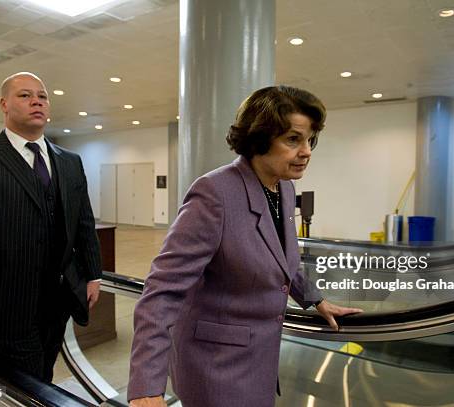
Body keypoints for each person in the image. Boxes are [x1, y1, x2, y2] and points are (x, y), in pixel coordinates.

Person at [128, 85, 362, 407]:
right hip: (216, 366)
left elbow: (283, 257)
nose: (306, 151)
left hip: (260, 360)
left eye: (310, 140)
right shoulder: (215, 193)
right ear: (259, 139)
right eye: (293, 139)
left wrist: (315, 299)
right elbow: (162, 291)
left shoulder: (285, 188)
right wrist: (146, 386)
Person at [0, 72, 102, 382]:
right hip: (8, 302)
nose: (36, 102)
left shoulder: (69, 161)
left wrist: (93, 273)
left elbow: (83, 221)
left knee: (43, 373)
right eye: (25, 95)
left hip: (59, 298)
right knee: (28, 381)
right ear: (4, 104)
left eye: (42, 96)